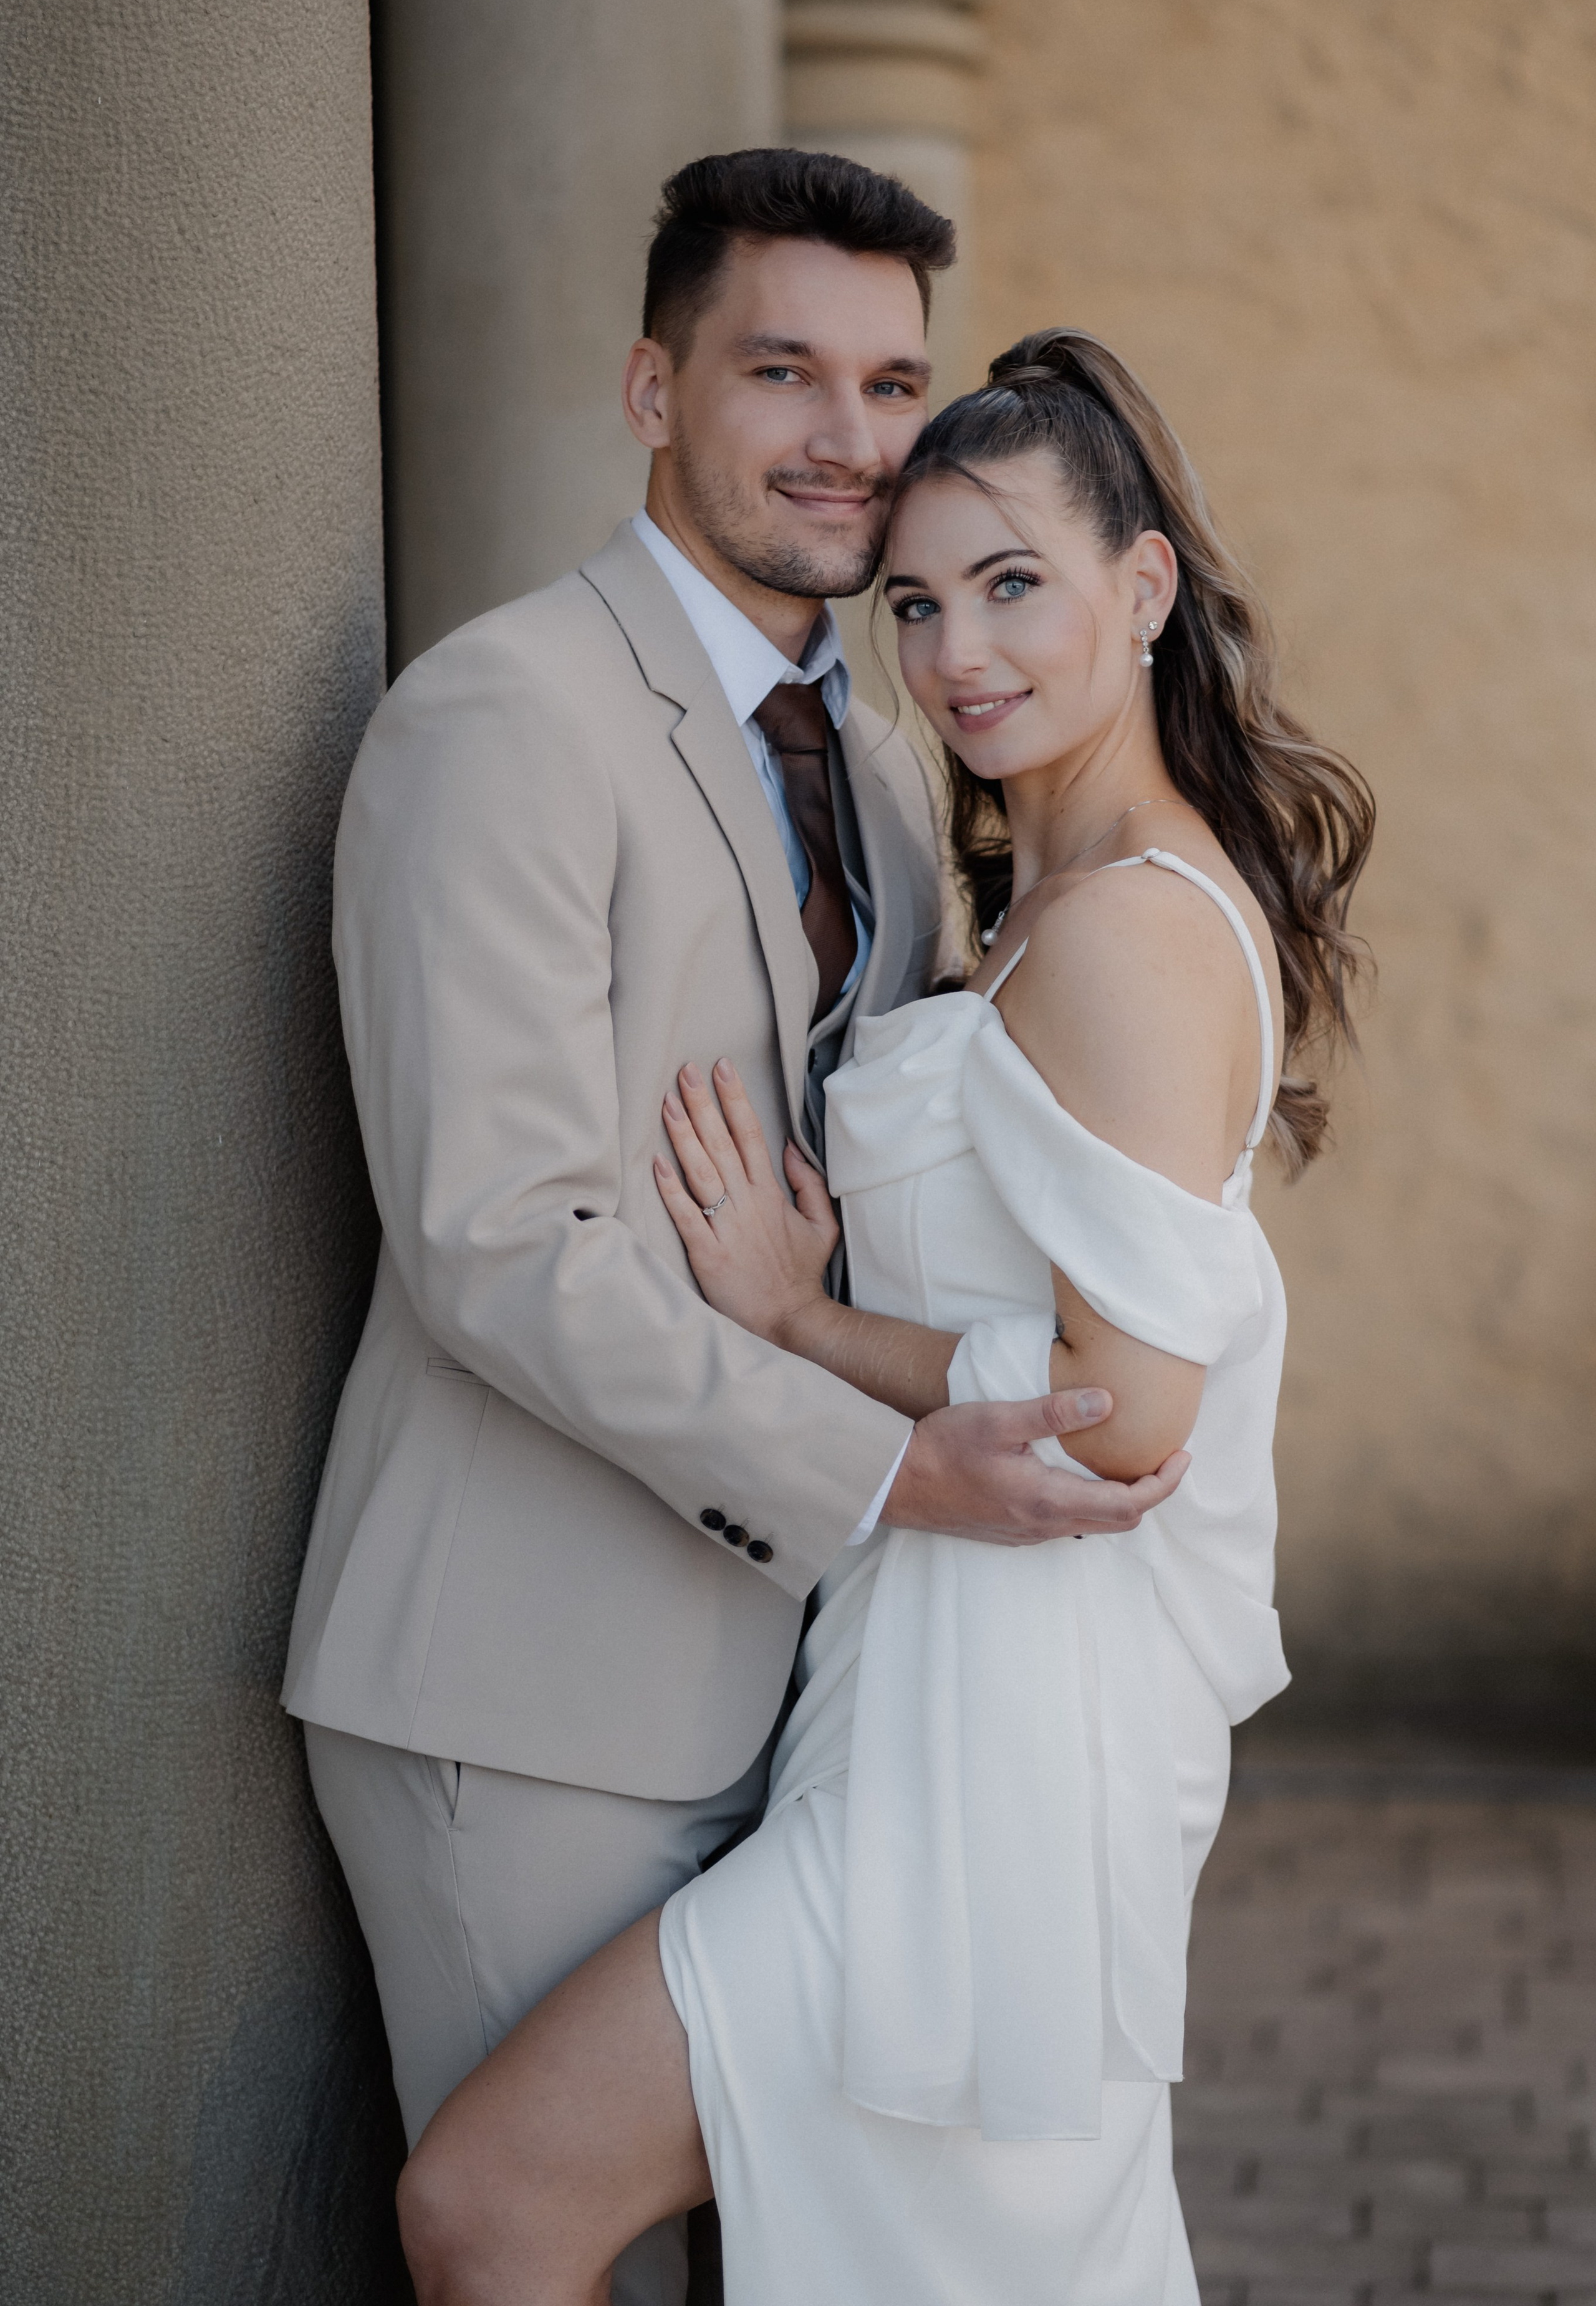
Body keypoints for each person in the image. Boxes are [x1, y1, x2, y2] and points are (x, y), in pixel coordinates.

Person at [282, 153, 1188, 2306]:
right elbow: (497, 1240)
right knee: (530, 2236)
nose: (848, 435)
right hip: (533, 1684)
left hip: (805, 1680)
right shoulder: (503, 717)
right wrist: (893, 1468)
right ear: (651, 390)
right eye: (782, 371)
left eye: (890, 382)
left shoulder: (879, 768)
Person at [395, 328, 1375, 2305]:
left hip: (1013, 1728)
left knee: (489, 2204)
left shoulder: (1126, 929)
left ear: (1144, 588)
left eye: (1012, 584)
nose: (956, 653)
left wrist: (794, 1314)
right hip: (924, 1676)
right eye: (915, 605)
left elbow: (1127, 1411)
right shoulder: (1041, 895)